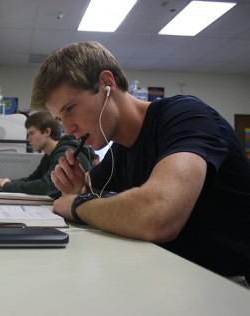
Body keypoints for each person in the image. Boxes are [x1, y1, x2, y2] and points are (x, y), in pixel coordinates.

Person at [30, 41, 250, 285]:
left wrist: (77, 204)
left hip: (231, 284)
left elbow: (157, 215)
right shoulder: (120, 150)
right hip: (175, 278)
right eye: (61, 119)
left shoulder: (186, 116)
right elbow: (87, 190)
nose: (69, 129)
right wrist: (77, 187)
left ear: (106, 84)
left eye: (70, 108)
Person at [0, 111, 92, 199]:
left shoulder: (64, 153)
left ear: (47, 131)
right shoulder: (49, 155)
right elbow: (33, 178)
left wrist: (8, 186)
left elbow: (46, 187)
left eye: (32, 133)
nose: (28, 139)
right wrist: (8, 182)